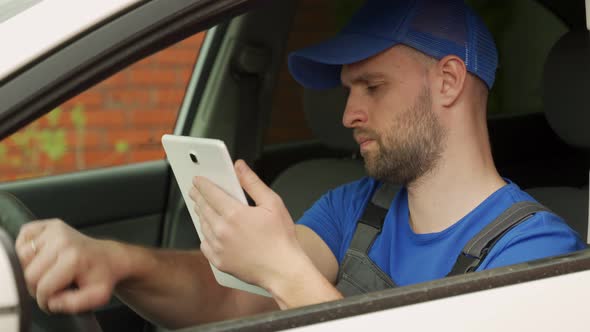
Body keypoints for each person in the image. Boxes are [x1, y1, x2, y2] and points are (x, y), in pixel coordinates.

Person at [14, 0, 586, 329]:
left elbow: (279, 278)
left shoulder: (540, 255)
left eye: (372, 86)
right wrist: (114, 261)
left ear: (448, 81)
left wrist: (284, 271)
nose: (348, 114)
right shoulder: (356, 205)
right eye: (347, 90)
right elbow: (232, 299)